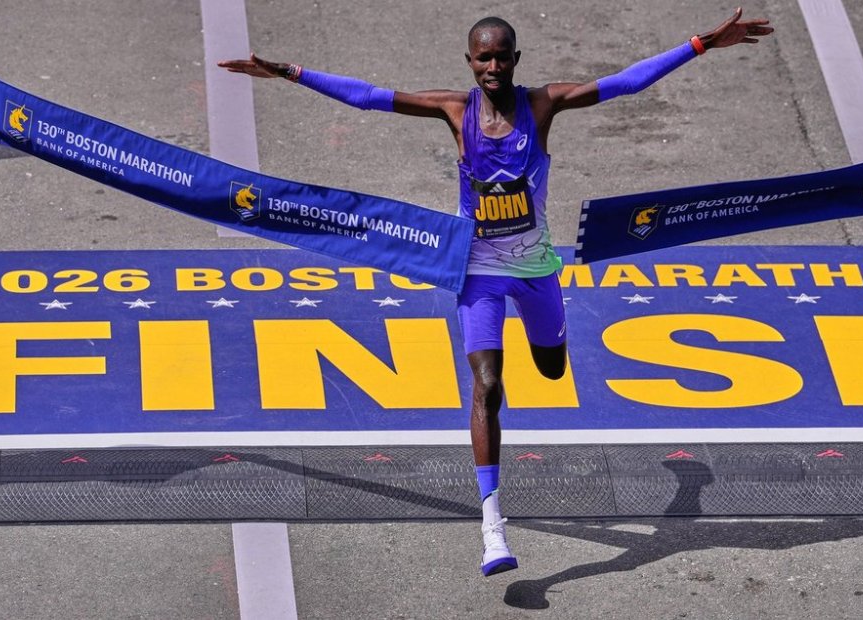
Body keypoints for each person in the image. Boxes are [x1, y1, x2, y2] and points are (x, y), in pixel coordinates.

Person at [220, 7, 771, 577]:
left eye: (501, 57)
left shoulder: (542, 106)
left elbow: (627, 82)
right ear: (469, 61)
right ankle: (492, 527)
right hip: (478, 273)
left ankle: (542, 352)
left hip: (536, 271)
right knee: (487, 385)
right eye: (482, 57)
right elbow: (367, 97)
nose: (492, 67)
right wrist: (288, 71)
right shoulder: (455, 111)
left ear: (515, 59)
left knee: (552, 369)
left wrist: (701, 44)